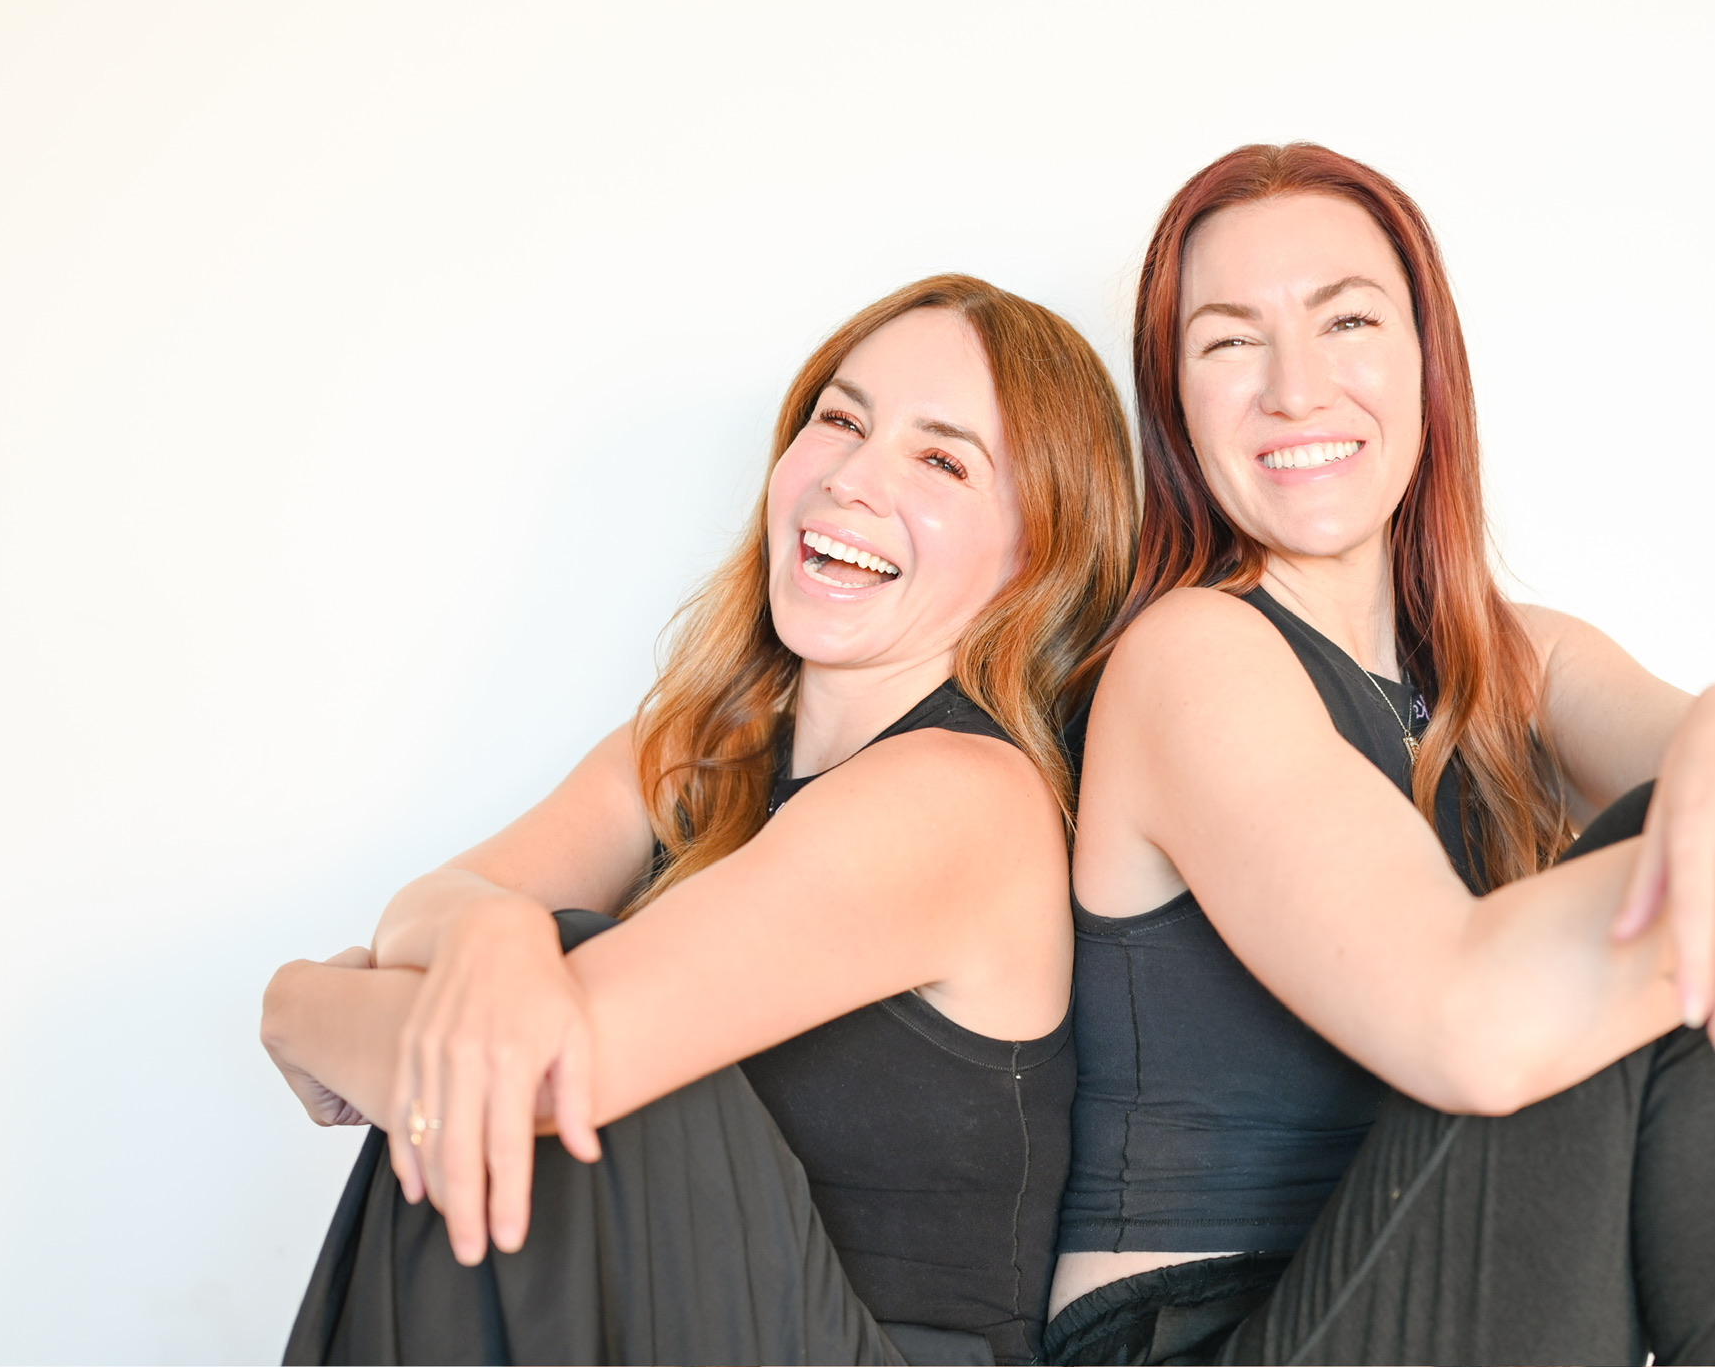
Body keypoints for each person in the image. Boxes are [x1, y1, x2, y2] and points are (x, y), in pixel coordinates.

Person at [1046, 144, 1715, 1366]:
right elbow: (1466, 1024)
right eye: (1229, 342)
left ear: (1428, 365)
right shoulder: (1189, 657)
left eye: (1348, 322)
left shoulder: (1514, 661)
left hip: (1471, 1300)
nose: (1295, 387)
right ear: (1174, 402)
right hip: (1217, 1332)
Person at [259, 274, 1136, 1366]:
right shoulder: (695, 749)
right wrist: (488, 933)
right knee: (509, 1002)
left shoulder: (963, 795)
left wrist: (300, 1007)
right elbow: (432, 912)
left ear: (1035, 556)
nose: (855, 478)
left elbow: (538, 1077)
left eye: (942, 459)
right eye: (841, 420)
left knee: (545, 1003)